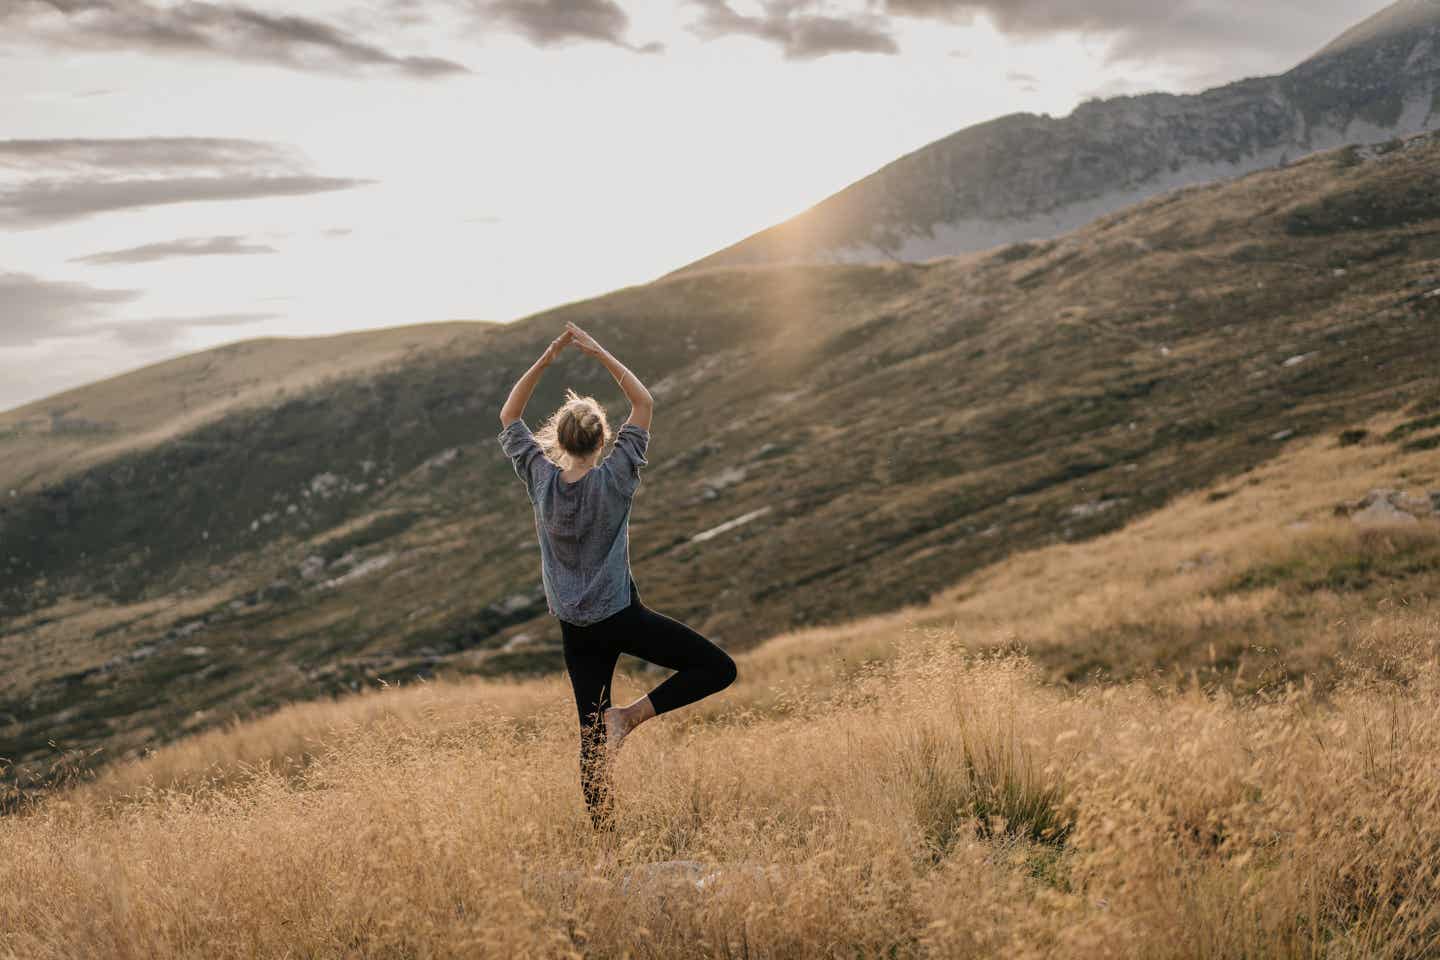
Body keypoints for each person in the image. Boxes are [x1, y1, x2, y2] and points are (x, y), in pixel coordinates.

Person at [497, 319, 738, 831]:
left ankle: (606, 844)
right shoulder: (618, 476)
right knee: (717, 668)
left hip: (574, 625)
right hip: (620, 615)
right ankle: (630, 717)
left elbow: (509, 413)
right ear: (604, 440)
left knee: (590, 736)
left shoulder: (539, 477)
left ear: (558, 441)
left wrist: (546, 360)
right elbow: (644, 403)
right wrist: (598, 351)